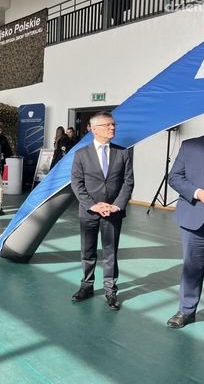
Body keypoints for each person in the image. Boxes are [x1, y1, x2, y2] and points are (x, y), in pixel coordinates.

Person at [70, 111, 134, 311]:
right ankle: (87, 286)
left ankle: (110, 290)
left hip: (113, 212)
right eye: (108, 125)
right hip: (89, 212)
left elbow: (128, 182)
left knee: (110, 252)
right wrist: (92, 205)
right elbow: (77, 183)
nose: (112, 128)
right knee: (87, 251)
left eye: (113, 124)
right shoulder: (81, 154)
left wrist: (117, 205)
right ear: (94, 129)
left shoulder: (123, 153)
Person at [166, 101, 204, 328]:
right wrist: (199, 193)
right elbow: (174, 177)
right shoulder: (191, 146)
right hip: (195, 217)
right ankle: (186, 310)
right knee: (192, 267)